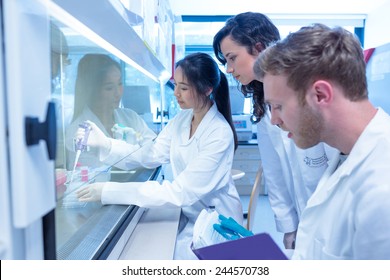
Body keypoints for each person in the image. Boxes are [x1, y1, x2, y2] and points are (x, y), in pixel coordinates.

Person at [76, 52, 243, 260]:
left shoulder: (219, 133)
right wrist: (107, 145)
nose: (176, 93)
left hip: (216, 225)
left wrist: (109, 191)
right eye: (176, 85)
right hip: (192, 215)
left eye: (184, 88)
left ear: (207, 89)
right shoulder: (182, 119)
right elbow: (151, 153)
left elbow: (179, 192)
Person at [254, 23, 390, 259]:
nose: (274, 120)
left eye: (278, 106)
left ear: (320, 95)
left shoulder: (381, 191)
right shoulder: (345, 155)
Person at [213, 12, 339, 249]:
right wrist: (289, 225)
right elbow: (275, 173)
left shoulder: (308, 93)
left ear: (258, 48)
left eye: (232, 58)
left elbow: (336, 165)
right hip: (305, 219)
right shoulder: (263, 104)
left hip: (333, 217)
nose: (229, 69)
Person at [65, 53, 156, 171]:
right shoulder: (78, 132)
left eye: (120, 84)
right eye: (109, 88)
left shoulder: (131, 117)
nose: (118, 93)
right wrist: (138, 152)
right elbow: (93, 175)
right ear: (92, 91)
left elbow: (154, 152)